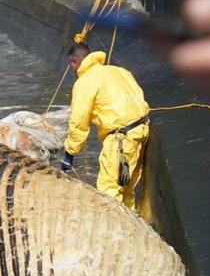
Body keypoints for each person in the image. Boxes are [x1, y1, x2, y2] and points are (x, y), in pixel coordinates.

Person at [59, 42, 151, 211]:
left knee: (109, 192)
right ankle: (130, 229)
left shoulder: (85, 82)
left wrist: (70, 153)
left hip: (120, 140)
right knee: (126, 187)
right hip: (141, 132)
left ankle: (115, 232)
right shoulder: (119, 71)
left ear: (74, 63)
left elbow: (78, 121)